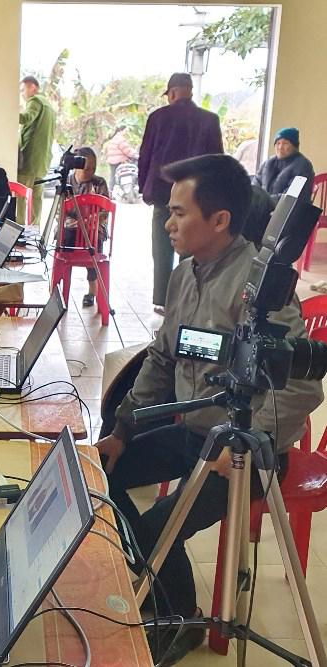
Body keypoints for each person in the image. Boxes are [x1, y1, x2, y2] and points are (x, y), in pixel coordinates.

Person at [94, 154, 323, 666]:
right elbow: (160, 358)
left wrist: (245, 442)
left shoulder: (260, 289)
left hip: (249, 453)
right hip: (196, 431)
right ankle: (159, 585)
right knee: (100, 475)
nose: (168, 222)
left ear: (219, 220)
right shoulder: (183, 276)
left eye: (179, 212)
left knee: (158, 524)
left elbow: (302, 389)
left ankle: (183, 619)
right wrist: (123, 429)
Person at [138, 72, 223, 315]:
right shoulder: (209, 120)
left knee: (162, 248)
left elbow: (145, 155)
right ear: (191, 91)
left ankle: (163, 300)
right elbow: (217, 161)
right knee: (190, 247)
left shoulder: (158, 118)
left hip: (163, 194)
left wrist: (144, 187)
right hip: (196, 197)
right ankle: (187, 300)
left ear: (172, 92)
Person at [62, 146, 109, 307]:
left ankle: (92, 290)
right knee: (64, 239)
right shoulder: (66, 182)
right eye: (86, 168)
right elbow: (59, 211)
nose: (90, 171)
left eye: (93, 168)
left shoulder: (99, 183)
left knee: (95, 243)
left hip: (94, 228)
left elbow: (105, 211)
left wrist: (92, 220)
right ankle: (60, 283)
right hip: (70, 228)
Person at [18, 75, 56, 227]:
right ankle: (34, 229)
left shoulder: (35, 101)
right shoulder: (50, 108)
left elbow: (27, 118)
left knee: (20, 196)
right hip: (42, 161)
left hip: (30, 159)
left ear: (32, 87)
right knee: (37, 199)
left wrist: (8, 112)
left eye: (23, 89)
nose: (22, 94)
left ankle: (17, 229)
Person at [254, 127, 315, 205]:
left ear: (295, 146)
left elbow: (291, 197)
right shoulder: (269, 163)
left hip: (290, 212)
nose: (280, 147)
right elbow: (256, 184)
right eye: (278, 143)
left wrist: (264, 202)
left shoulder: (303, 166)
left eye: (285, 143)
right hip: (265, 208)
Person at [103, 125, 138, 190]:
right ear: (121, 131)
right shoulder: (120, 139)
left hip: (111, 161)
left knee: (113, 176)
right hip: (119, 161)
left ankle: (110, 190)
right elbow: (127, 151)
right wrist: (135, 155)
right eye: (125, 131)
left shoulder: (114, 139)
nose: (126, 132)